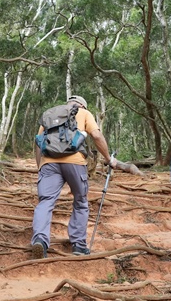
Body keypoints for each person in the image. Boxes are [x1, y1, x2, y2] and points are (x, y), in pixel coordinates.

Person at [31, 95, 116, 258]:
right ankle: (78, 244)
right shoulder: (84, 113)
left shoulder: (50, 113)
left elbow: (38, 142)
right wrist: (108, 159)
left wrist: (40, 166)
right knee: (80, 201)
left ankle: (40, 240)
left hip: (49, 162)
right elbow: (97, 136)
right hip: (75, 161)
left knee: (46, 202)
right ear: (82, 105)